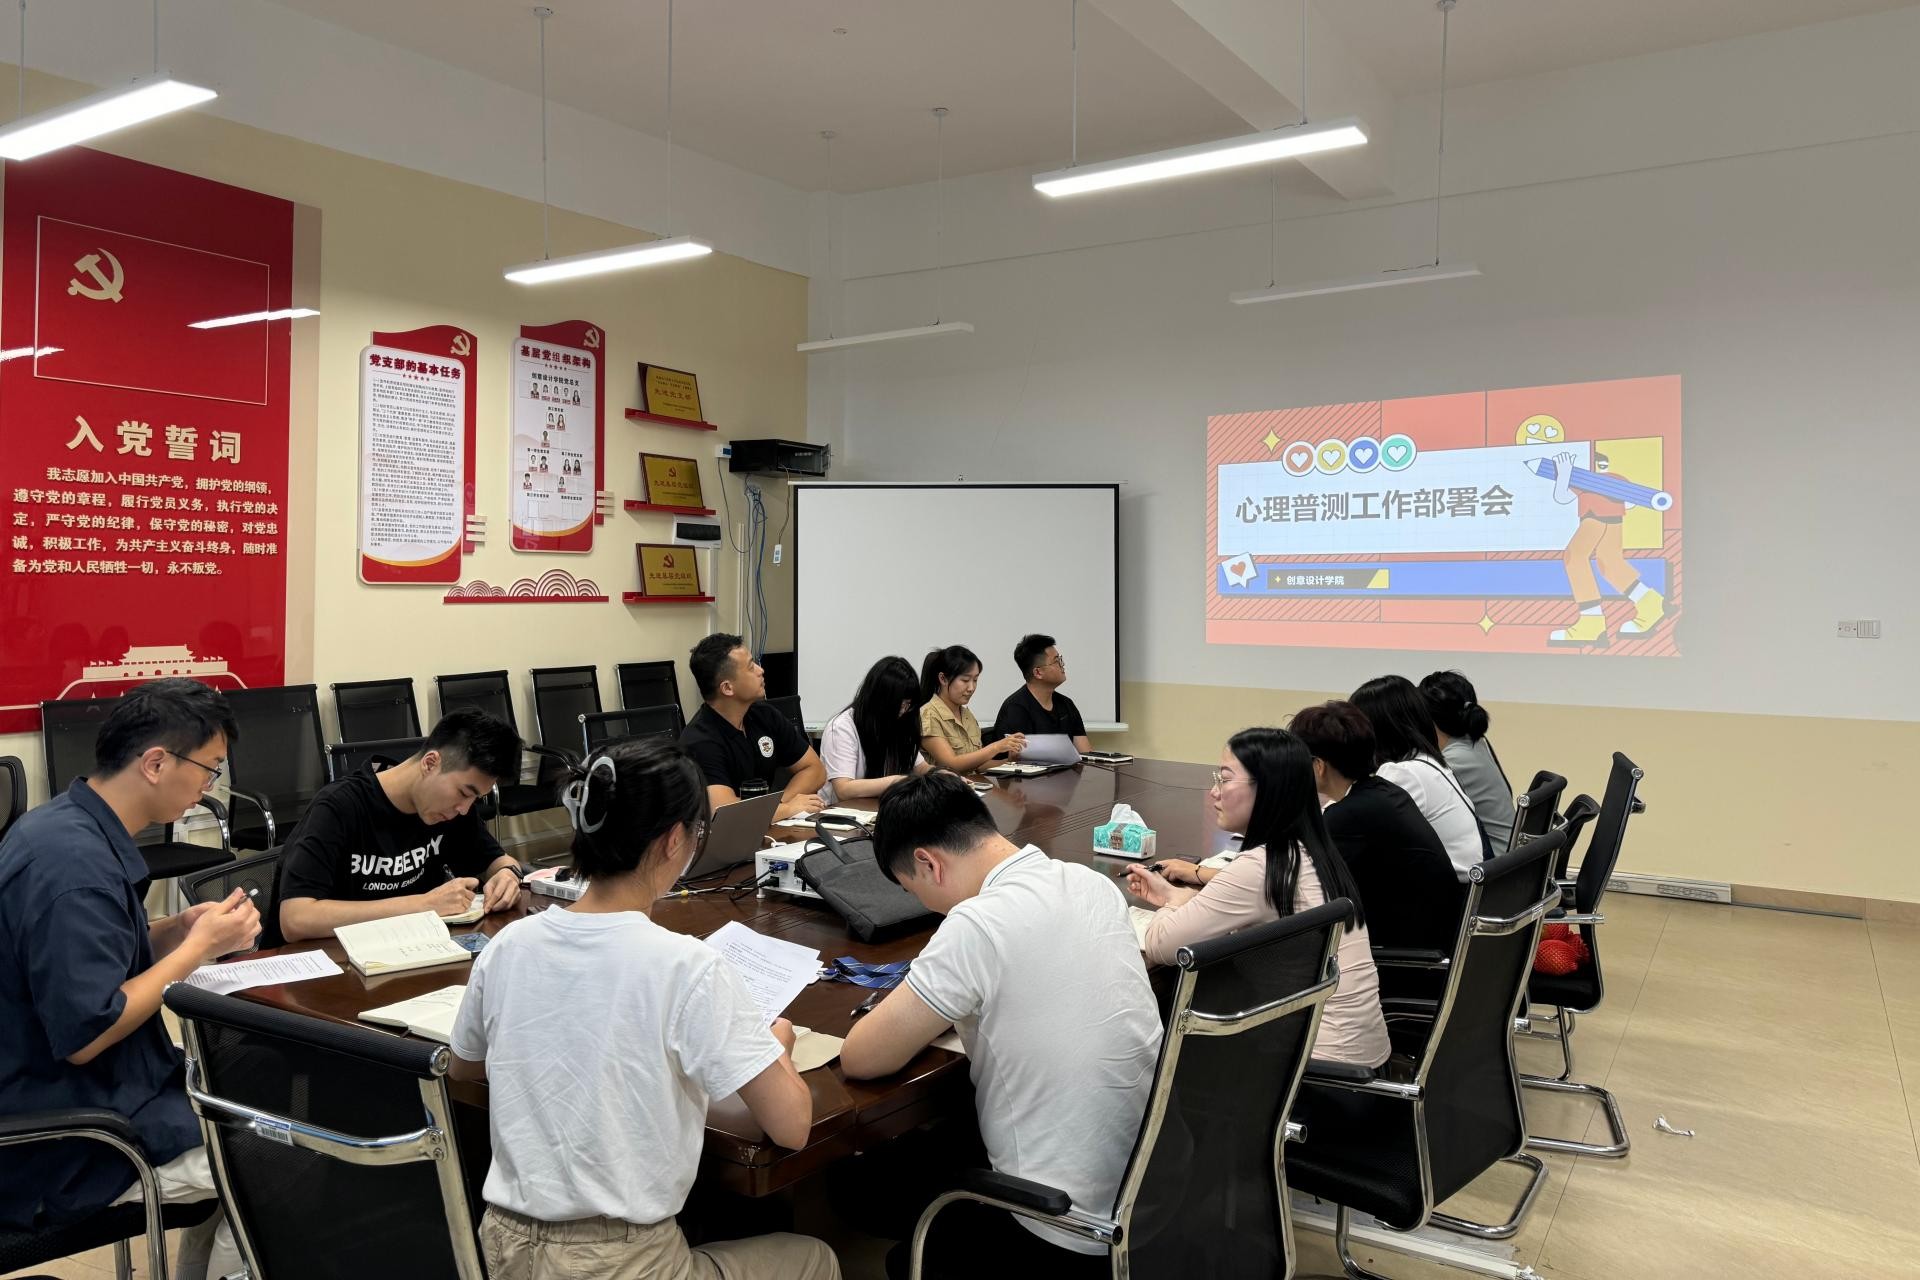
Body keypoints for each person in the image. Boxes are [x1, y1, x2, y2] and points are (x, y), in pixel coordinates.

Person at [449, 740, 838, 1280]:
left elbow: (464, 1067)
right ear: (675, 839)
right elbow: (792, 1126)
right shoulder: (686, 966)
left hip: (503, 1247)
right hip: (621, 1260)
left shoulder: (509, 945)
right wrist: (778, 1047)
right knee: (814, 1258)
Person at [841, 772, 1160, 1278]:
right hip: (1149, 1202)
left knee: (863, 1193)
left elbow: (863, 1058)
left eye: (912, 889)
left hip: (1056, 1229)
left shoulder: (976, 924)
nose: (924, 904)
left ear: (928, 863)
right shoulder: (1092, 883)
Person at [0, 678, 261, 1280]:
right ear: (155, 763)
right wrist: (196, 949)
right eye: (209, 769)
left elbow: (96, 953)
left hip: (84, 1085)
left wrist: (175, 930)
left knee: (254, 1093)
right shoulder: (73, 868)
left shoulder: (68, 824)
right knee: (275, 1155)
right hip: (62, 1134)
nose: (208, 787)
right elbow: (89, 1032)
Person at [1123, 728, 1388, 1069]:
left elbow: (1161, 945)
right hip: (1357, 1054)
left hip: (1313, 1069)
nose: (1214, 792)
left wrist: (1172, 904)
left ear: (1268, 789)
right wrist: (1177, 895)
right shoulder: (1311, 851)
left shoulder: (1261, 867)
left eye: (1224, 779)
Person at [274, 708, 527, 945]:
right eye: (464, 792)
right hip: (328, 958)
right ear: (430, 763)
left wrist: (507, 875)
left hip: (407, 949)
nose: (464, 808)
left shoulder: (453, 810)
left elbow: (499, 860)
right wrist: (423, 905)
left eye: (476, 798)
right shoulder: (339, 806)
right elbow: (296, 919)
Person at [1289, 701, 1464, 954]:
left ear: (1318, 766)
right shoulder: (1384, 792)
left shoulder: (1349, 815)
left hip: (1407, 959)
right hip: (1436, 943)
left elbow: (1298, 880)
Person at [1349, 676, 1490, 877]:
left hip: (1452, 891)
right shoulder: (1428, 761)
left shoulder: (1402, 774)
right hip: (1472, 883)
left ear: (1376, 729)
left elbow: (1361, 832)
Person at [680, 633, 826, 822]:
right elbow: (724, 812)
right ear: (727, 688)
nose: (760, 670)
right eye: (751, 667)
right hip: (724, 838)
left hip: (766, 826)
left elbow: (815, 770)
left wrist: (778, 805)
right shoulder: (700, 740)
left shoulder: (765, 715)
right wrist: (787, 809)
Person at [1541, 449, 1666, 647]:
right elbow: (1563, 497)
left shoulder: (1609, 479)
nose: (1600, 468)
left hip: (1596, 518)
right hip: (1611, 519)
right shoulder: (1583, 479)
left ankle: (1591, 623)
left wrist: (1566, 474)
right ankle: (1650, 603)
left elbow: (1631, 500)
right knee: (1609, 563)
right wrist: (1564, 474)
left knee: (1575, 558)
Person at [1419, 671, 1517, 847]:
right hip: (1509, 851)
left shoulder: (1452, 761)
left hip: (1494, 858)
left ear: (1427, 718)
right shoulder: (1476, 743)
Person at [817, 656, 928, 805]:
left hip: (883, 808)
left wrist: (940, 774)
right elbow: (844, 789)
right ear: (881, 699)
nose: (903, 710)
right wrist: (897, 781)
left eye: (908, 704)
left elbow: (921, 767)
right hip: (842, 813)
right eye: (900, 704)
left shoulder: (899, 722)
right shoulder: (842, 727)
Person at [916, 645, 1025, 774]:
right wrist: (996, 747)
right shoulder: (928, 715)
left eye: (975, 680)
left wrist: (1009, 761)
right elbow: (951, 765)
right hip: (944, 786)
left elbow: (978, 766)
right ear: (943, 679)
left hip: (972, 784)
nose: (971, 688)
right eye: (965, 680)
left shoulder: (967, 715)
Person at [991, 634, 1092, 752]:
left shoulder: (1066, 704)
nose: (1062, 664)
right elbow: (1021, 758)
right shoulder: (1016, 708)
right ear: (1038, 673)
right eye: (1056, 661)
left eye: (1060, 659)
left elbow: (1085, 753)